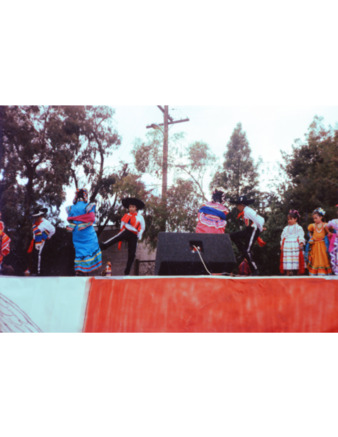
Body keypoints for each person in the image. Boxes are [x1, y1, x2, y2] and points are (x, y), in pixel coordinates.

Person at [100, 197, 145, 275]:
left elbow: (143, 227)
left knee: (132, 254)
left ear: (136, 208)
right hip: (126, 231)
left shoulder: (140, 217)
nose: (131, 208)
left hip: (134, 235)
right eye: (130, 207)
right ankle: (104, 245)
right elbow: (122, 224)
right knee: (116, 238)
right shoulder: (126, 215)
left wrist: (140, 234)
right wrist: (121, 231)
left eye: (133, 207)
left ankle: (127, 271)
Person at [66, 188, 102, 276]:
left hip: (76, 232)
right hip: (86, 231)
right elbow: (92, 218)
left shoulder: (71, 208)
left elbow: (70, 220)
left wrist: (77, 220)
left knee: (79, 250)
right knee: (90, 248)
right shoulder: (88, 206)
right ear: (85, 196)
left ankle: (79, 270)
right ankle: (86, 270)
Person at [229, 195, 265, 276]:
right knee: (232, 236)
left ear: (242, 205)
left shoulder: (249, 211)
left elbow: (259, 219)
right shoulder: (245, 212)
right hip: (248, 230)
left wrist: (260, 228)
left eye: (238, 205)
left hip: (253, 229)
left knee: (247, 250)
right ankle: (243, 251)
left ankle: (255, 270)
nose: (237, 207)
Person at [25, 207, 56, 275]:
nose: (36, 218)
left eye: (38, 216)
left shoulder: (46, 223)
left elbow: (53, 229)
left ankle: (37, 271)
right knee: (32, 254)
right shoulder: (35, 222)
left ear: (41, 216)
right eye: (35, 217)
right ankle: (32, 270)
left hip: (41, 240)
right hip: (34, 239)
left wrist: (48, 236)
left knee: (38, 254)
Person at [306, 207, 331, 276]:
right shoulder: (313, 226)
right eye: (314, 218)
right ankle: (315, 272)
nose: (315, 220)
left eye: (316, 218)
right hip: (315, 245)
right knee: (315, 259)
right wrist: (311, 237)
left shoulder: (325, 225)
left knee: (323, 258)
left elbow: (330, 231)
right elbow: (310, 232)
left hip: (322, 245)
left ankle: (323, 273)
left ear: (321, 217)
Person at [280, 209, 305, 276]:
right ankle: (288, 272)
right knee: (288, 259)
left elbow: (301, 235)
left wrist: (301, 242)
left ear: (295, 219)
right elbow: (283, 236)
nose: (289, 221)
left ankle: (297, 273)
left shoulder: (298, 227)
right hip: (287, 246)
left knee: (295, 259)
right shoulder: (285, 228)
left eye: (291, 219)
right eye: (288, 219)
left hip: (295, 245)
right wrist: (282, 245)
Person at [325, 204, 338, 275]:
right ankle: (336, 270)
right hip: (336, 240)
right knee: (336, 254)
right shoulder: (335, 221)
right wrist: (329, 232)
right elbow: (326, 226)